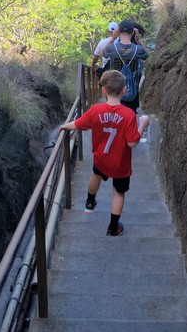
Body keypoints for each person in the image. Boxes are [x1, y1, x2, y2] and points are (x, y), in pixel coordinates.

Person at [61, 70, 150, 236]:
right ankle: (113, 227)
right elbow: (132, 143)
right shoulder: (128, 114)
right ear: (124, 90)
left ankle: (89, 202)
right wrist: (143, 125)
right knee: (118, 193)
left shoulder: (96, 110)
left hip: (101, 158)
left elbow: (79, 123)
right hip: (120, 164)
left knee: (95, 176)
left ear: (103, 91)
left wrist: (66, 126)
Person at [100, 18, 148, 112]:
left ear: (119, 31)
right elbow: (146, 55)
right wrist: (138, 40)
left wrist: (113, 38)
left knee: (116, 117)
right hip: (132, 89)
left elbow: (102, 53)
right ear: (133, 32)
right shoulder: (138, 49)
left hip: (115, 90)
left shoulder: (112, 48)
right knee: (130, 116)